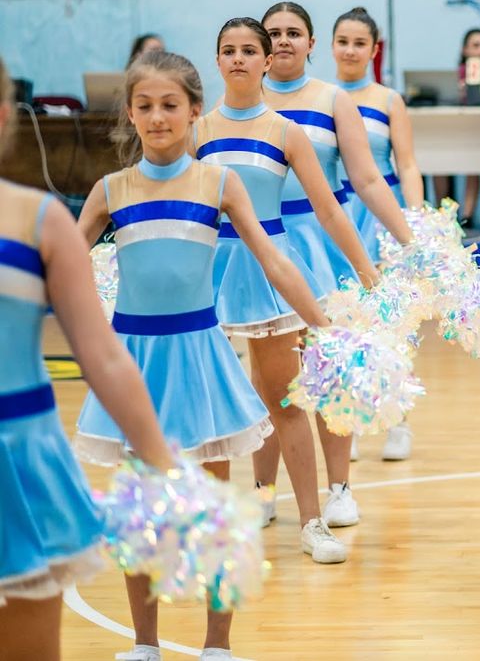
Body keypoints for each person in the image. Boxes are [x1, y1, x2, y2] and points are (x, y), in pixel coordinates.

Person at [73, 51, 329, 661]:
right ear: (130, 113)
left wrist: (325, 327)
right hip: (133, 365)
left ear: (194, 112)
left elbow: (274, 261)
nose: (157, 117)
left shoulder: (218, 183)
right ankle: (145, 644)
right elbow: (59, 269)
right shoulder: (110, 191)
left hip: (200, 360)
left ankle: (218, 644)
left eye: (170, 105)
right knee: (141, 508)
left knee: (214, 506)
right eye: (144, 106)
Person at [0, 54, 173, 661]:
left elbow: (105, 358)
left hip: (19, 467)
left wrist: (164, 469)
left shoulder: (41, 220)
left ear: (3, 117)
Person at [193, 18, 373, 564]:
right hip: (207, 274)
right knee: (209, 400)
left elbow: (329, 209)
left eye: (250, 50)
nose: (239, 59)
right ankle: (221, 518)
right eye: (229, 50)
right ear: (217, 60)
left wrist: (366, 269)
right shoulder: (197, 131)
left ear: (267, 61)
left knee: (285, 398)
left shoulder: (285, 131)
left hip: (268, 273)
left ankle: (312, 522)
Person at [256, 1, 415, 531]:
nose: (283, 40)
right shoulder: (243, 102)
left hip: (324, 246)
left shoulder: (332, 100)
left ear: (310, 43)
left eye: (293, 32)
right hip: (262, 249)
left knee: (330, 368)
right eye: (274, 32)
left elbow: (367, 180)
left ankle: (340, 488)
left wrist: (411, 240)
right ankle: (262, 492)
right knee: (268, 381)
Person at [331, 6, 424, 462]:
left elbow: (406, 163)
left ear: (373, 50)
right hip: (334, 214)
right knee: (341, 321)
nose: (350, 50)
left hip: (382, 216)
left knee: (389, 320)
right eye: (343, 41)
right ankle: (346, 421)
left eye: (359, 43)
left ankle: (398, 420)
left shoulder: (389, 100)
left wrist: (415, 222)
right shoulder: (321, 98)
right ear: (329, 46)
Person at [433, 28, 480, 229]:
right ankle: (444, 215)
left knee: (475, 163)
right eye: (476, 45)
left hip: (477, 129)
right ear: (465, 50)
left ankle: (467, 218)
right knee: (438, 158)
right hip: (451, 127)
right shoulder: (455, 78)